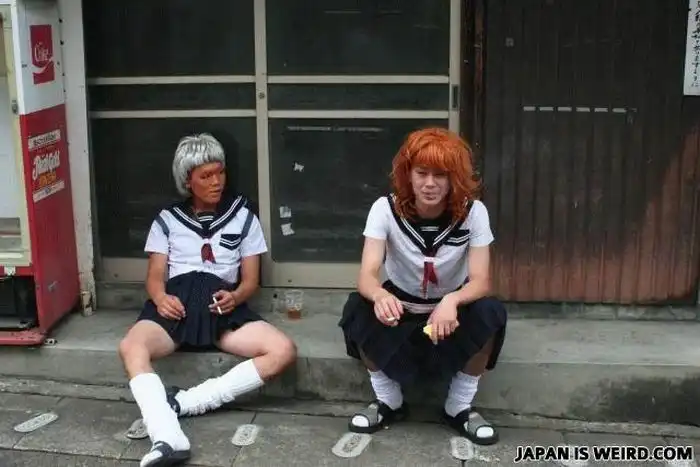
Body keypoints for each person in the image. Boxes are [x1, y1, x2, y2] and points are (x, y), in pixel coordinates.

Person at [118, 133, 297, 467]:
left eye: (220, 172)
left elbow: (251, 281)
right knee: (131, 346)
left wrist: (236, 296)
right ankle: (167, 435)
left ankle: (186, 403)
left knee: (282, 350)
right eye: (206, 176)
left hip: (220, 307)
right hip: (177, 307)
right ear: (187, 181)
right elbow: (155, 276)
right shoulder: (167, 220)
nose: (216, 182)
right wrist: (160, 298)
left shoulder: (244, 217)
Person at [339, 127, 507, 445]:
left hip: (449, 314)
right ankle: (389, 401)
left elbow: (482, 280)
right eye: (422, 173)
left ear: (454, 177)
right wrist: (379, 294)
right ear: (408, 174)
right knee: (357, 307)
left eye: (440, 175)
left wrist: (452, 301)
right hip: (401, 307)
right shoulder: (384, 209)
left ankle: (458, 407)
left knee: (490, 310)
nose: (430, 184)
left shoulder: (474, 212)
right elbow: (367, 274)